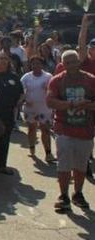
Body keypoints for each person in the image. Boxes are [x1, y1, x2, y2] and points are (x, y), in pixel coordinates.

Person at [47, 50, 95, 212]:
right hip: (64, 129)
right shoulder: (57, 81)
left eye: (74, 61)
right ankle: (64, 196)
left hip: (85, 130)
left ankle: (78, 194)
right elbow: (50, 101)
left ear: (79, 62)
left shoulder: (90, 80)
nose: (72, 65)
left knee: (81, 166)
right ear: (62, 64)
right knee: (64, 165)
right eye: (68, 63)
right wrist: (71, 105)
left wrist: (87, 105)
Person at [0, 51, 24, 175]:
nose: (2, 61)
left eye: (5, 59)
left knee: (4, 140)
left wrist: (20, 102)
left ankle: (2, 166)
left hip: (8, 114)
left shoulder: (13, 76)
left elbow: (21, 93)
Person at [22, 56, 55, 162]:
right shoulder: (26, 77)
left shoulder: (48, 76)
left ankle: (48, 153)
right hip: (30, 107)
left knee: (45, 130)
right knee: (32, 129)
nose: (36, 66)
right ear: (30, 65)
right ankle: (32, 148)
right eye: (34, 64)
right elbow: (21, 90)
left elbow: (53, 90)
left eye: (38, 63)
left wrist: (48, 90)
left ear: (42, 65)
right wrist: (24, 100)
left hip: (44, 108)